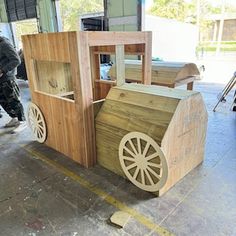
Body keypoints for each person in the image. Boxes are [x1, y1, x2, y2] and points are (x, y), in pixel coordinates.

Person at [0, 35, 26, 131]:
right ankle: (14, 118)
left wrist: (2, 70)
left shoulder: (4, 44)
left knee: (13, 100)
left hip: (8, 78)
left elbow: (16, 60)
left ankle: (22, 121)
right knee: (3, 101)